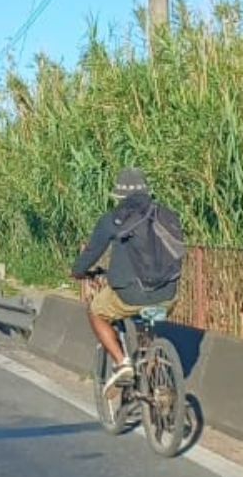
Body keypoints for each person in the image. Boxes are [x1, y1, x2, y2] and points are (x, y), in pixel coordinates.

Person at [71, 168, 185, 397]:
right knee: (147, 320)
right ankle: (153, 370)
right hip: (168, 293)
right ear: (146, 191)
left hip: (130, 294)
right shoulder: (166, 215)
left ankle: (122, 362)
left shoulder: (113, 219)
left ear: (119, 194)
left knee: (96, 312)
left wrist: (78, 272)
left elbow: (91, 253)